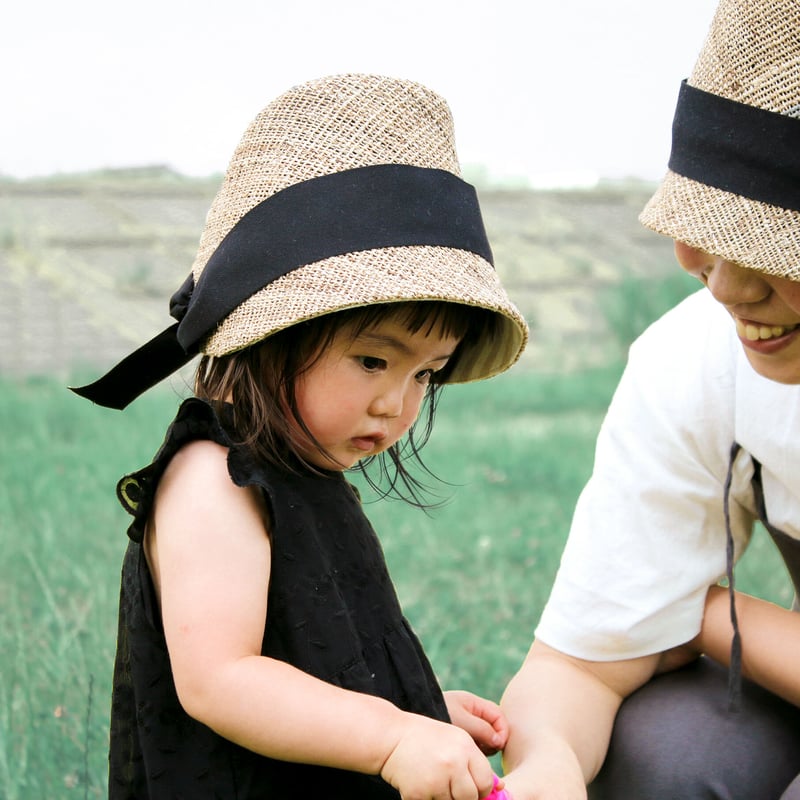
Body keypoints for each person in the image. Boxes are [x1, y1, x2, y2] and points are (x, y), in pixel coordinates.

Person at [72, 74, 528, 799]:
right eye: (373, 360)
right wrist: (391, 736)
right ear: (271, 333)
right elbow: (221, 680)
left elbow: (321, 654)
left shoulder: (303, 470)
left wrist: (419, 710)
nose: (396, 404)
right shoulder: (212, 480)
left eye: (425, 376)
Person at [499, 1, 800, 798]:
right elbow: (578, 663)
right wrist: (549, 767)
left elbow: (652, 610)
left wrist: (699, 612)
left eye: (774, 246)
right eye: (713, 234)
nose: (730, 289)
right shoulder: (699, 355)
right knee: (667, 753)